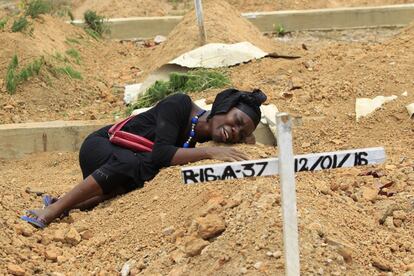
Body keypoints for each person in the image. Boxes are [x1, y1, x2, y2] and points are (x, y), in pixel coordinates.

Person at [21, 88, 267, 228]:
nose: (234, 131)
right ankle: (52, 210)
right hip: (101, 146)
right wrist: (212, 151)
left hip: (128, 163)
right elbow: (161, 154)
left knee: (142, 172)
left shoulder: (203, 137)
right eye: (236, 122)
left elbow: (157, 161)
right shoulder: (180, 104)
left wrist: (246, 141)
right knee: (136, 164)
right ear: (222, 107)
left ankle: (66, 202)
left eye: (240, 134)